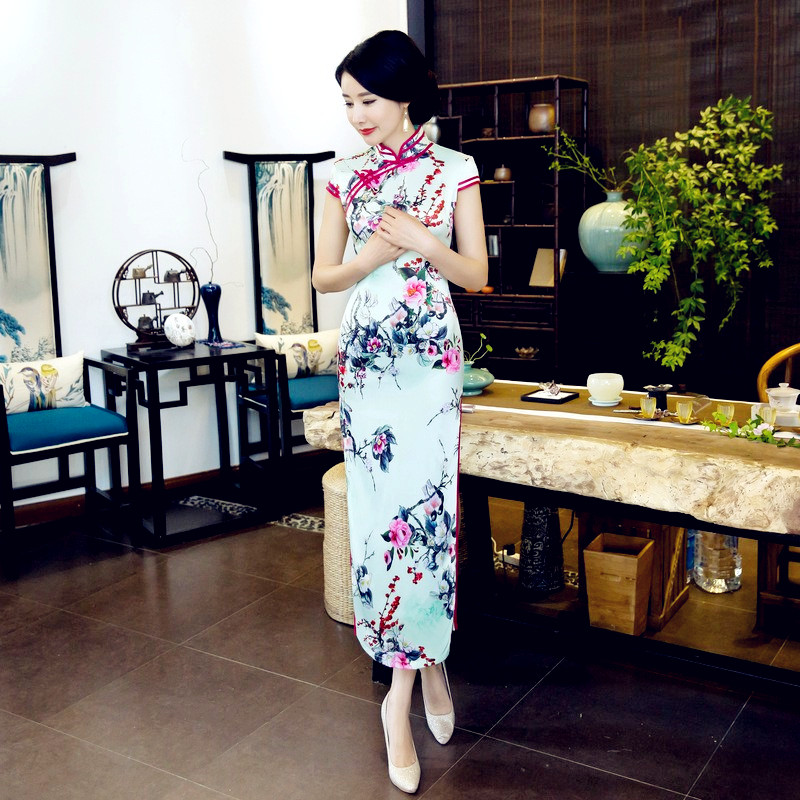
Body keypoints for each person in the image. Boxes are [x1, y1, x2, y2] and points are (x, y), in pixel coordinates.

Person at [312, 29, 487, 794]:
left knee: (431, 517)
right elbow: (323, 277)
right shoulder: (340, 176)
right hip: (368, 364)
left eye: (369, 100)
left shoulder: (456, 170)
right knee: (381, 521)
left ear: (406, 93)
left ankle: (417, 676)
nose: (357, 115)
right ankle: (404, 691)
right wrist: (369, 260)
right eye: (347, 102)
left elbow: (476, 274)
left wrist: (421, 241)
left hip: (430, 364)